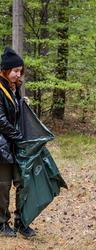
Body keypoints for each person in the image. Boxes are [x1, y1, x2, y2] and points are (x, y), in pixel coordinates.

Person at [0, 47, 36, 237]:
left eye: (20, 71)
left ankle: (22, 222)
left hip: (15, 144)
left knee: (23, 183)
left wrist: (21, 103)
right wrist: (19, 137)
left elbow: (13, 114)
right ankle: (2, 223)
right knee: (3, 186)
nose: (18, 74)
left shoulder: (14, 88)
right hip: (2, 146)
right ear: (5, 70)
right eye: (15, 71)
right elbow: (1, 120)